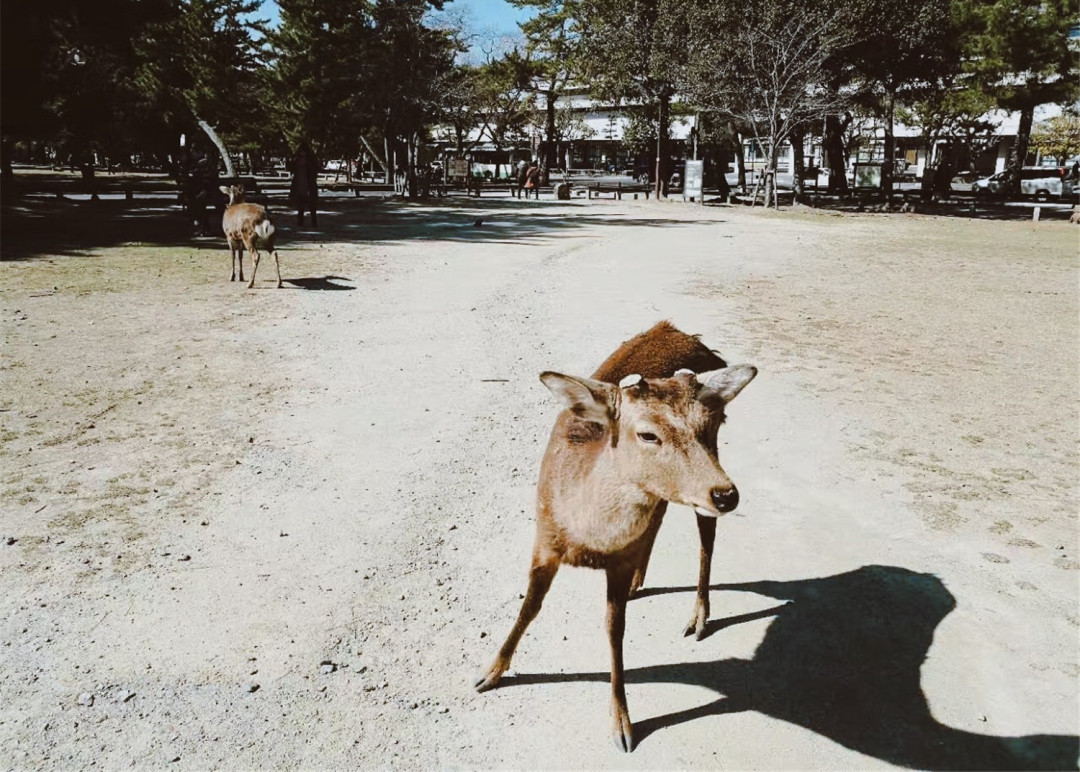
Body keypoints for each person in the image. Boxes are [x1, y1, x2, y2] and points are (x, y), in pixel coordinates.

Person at [290, 144, 319, 228]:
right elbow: (291, 168)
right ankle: (300, 222)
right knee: (300, 206)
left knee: (312, 206)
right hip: (300, 185)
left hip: (309, 186)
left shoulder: (311, 161)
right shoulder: (296, 161)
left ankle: (314, 222)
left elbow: (315, 171)